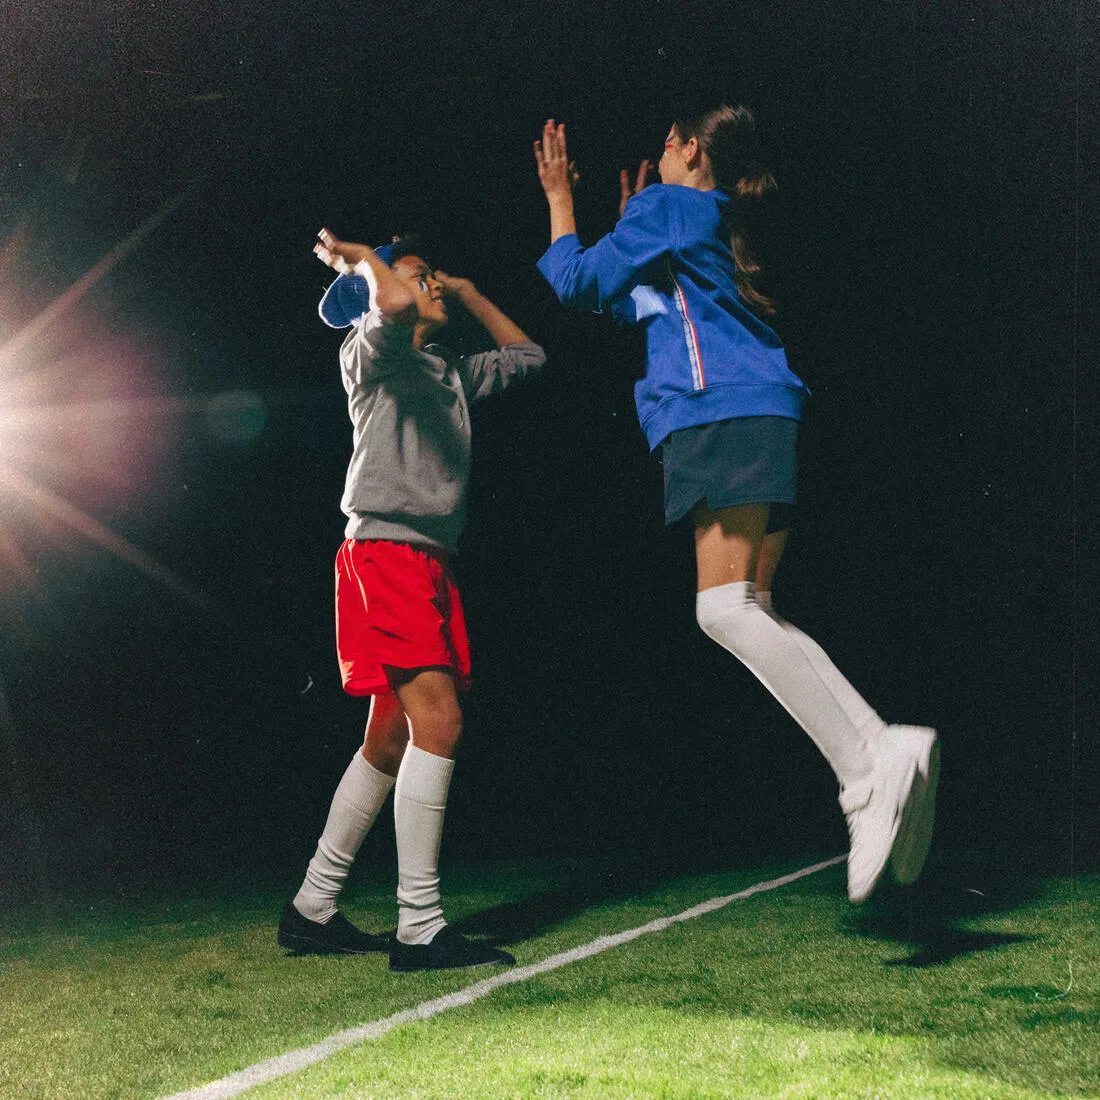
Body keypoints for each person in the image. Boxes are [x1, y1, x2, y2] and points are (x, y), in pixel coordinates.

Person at [533, 107, 939, 903]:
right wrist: (629, 235)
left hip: (717, 411)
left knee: (720, 611)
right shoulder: (694, 219)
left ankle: (871, 764)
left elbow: (576, 282)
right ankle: (877, 760)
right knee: (754, 603)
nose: (656, 151)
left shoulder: (671, 208)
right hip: (762, 410)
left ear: (687, 147)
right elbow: (635, 308)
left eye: (664, 140)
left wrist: (558, 199)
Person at [278, 228, 545, 970]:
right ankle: (419, 926)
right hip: (386, 556)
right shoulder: (372, 349)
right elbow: (390, 303)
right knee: (441, 719)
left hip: (427, 562)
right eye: (420, 277)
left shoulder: (448, 369)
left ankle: (311, 906)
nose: (429, 286)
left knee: (389, 736)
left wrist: (467, 293)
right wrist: (366, 261)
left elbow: (529, 357)